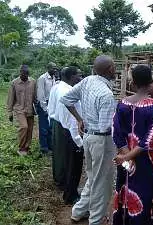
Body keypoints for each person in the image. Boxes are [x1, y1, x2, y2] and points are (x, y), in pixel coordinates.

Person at [60, 55, 116, 224]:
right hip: (102, 141)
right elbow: (106, 127)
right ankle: (96, 220)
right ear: (110, 70)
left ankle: (78, 211)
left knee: (93, 178)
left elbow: (66, 99)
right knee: (103, 182)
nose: (115, 69)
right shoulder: (106, 95)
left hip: (89, 138)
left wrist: (79, 119)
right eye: (113, 67)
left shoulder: (88, 81)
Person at [112, 65, 153, 225]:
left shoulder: (122, 104)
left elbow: (117, 132)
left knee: (125, 190)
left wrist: (126, 155)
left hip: (125, 159)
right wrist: (129, 157)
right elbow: (151, 138)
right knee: (145, 195)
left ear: (133, 83)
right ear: (151, 83)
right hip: (147, 162)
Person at [48, 66, 83, 204]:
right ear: (71, 76)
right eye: (78, 75)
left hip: (58, 125)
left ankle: (60, 181)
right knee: (72, 164)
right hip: (67, 129)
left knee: (59, 157)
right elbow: (71, 121)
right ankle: (71, 195)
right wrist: (79, 141)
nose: (81, 78)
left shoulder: (57, 87)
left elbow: (51, 107)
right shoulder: (67, 92)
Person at [7, 65, 36, 156]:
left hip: (30, 109)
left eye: (27, 74)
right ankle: (21, 148)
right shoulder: (14, 83)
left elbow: (35, 96)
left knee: (30, 129)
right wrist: (10, 112)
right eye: (24, 74)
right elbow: (11, 98)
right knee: (24, 127)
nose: (25, 76)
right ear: (20, 73)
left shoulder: (33, 82)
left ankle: (27, 147)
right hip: (19, 109)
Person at [37, 62, 57, 154]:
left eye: (56, 68)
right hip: (44, 104)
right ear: (48, 68)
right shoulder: (42, 78)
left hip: (51, 104)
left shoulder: (54, 78)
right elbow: (41, 95)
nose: (55, 70)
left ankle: (50, 146)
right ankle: (44, 147)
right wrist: (44, 108)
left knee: (50, 126)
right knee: (43, 127)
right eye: (53, 68)